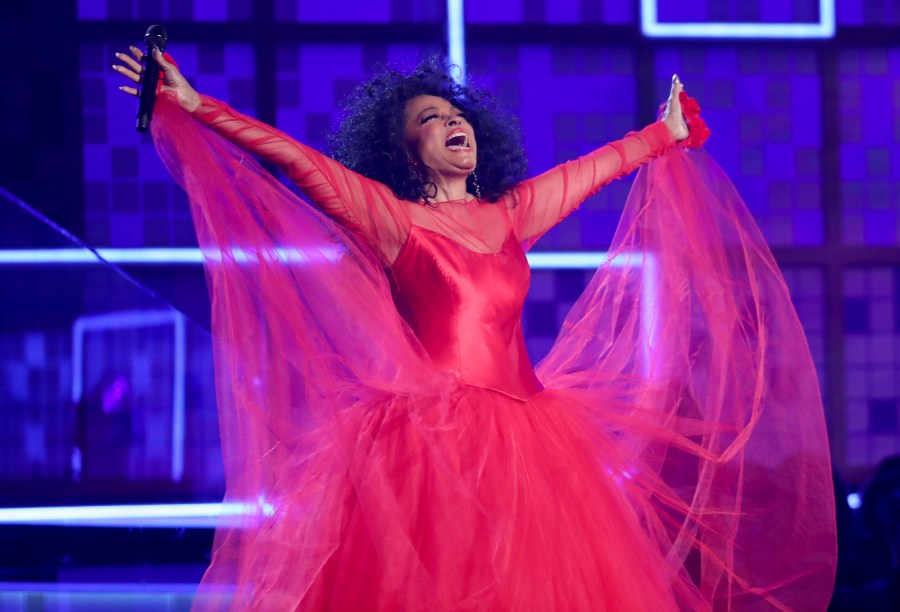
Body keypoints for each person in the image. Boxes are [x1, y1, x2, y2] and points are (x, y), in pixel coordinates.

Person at [114, 47, 837, 610]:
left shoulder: (510, 215)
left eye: (454, 114)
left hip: (535, 441)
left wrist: (661, 134)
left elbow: (592, 171)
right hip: (431, 449)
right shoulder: (392, 220)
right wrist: (198, 106)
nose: (451, 122)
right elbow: (295, 161)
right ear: (403, 154)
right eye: (428, 119)